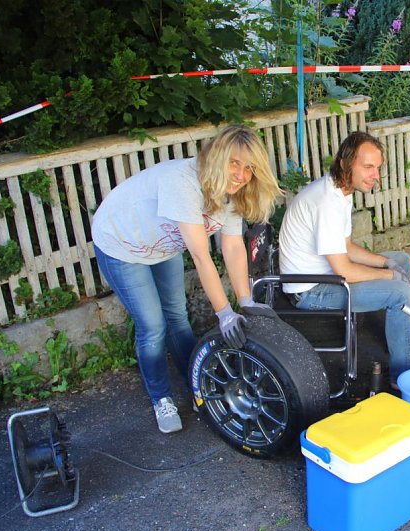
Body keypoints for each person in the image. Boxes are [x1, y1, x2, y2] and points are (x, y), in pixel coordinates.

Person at [91, 125, 282, 434]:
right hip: (121, 243)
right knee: (153, 325)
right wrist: (224, 313)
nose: (241, 174)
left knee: (178, 315)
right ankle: (161, 398)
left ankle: (198, 381)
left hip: (162, 245)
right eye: (235, 163)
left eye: (249, 168)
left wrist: (245, 301)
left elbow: (232, 247)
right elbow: (201, 257)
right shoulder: (184, 183)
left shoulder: (233, 194)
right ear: (218, 156)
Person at [278, 131, 410, 387]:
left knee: (400, 259)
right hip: (309, 290)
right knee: (400, 293)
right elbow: (344, 269)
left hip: (325, 275)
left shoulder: (339, 190)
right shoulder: (327, 202)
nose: (375, 175)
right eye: (367, 167)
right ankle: (406, 378)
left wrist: (385, 263)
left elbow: (345, 246)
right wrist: (388, 275)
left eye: (377, 168)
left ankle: (402, 339)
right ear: (345, 163)